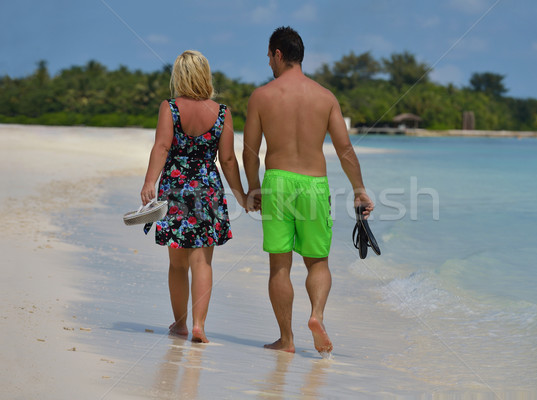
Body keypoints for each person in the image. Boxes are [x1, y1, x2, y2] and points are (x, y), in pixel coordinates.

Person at [243, 26, 374, 356]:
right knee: (318, 263)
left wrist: (253, 188)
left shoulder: (262, 96)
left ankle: (287, 340)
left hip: (277, 182)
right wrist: (359, 189)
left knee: (280, 266)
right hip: (315, 184)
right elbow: (345, 150)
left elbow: (249, 151)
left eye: (269, 56)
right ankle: (316, 316)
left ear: (278, 54)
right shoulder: (325, 97)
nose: (268, 63)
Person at [141, 50, 247, 343]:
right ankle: (200, 324)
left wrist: (150, 181)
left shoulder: (170, 108)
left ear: (179, 76)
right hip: (207, 189)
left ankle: (180, 324)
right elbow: (227, 160)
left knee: (177, 264)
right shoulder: (222, 112)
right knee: (203, 263)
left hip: (175, 188)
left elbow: (161, 147)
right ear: (205, 75)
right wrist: (240, 194)